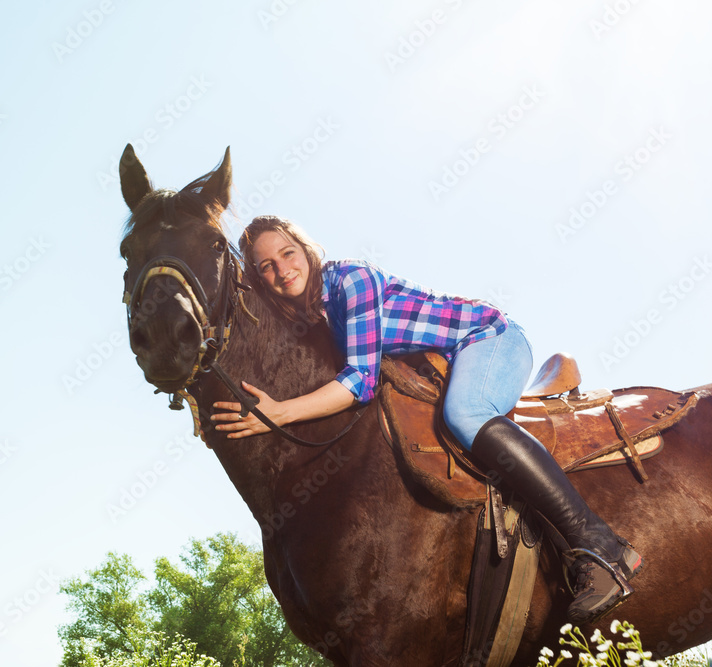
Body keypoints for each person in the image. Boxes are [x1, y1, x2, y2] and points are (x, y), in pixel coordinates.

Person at [210, 215, 643, 624]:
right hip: (448, 361)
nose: (282, 270)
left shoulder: (349, 280)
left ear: (305, 249)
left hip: (487, 337)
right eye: (266, 266)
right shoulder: (310, 316)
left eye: (287, 253)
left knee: (465, 414)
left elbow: (360, 379)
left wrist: (280, 413)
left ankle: (599, 545)